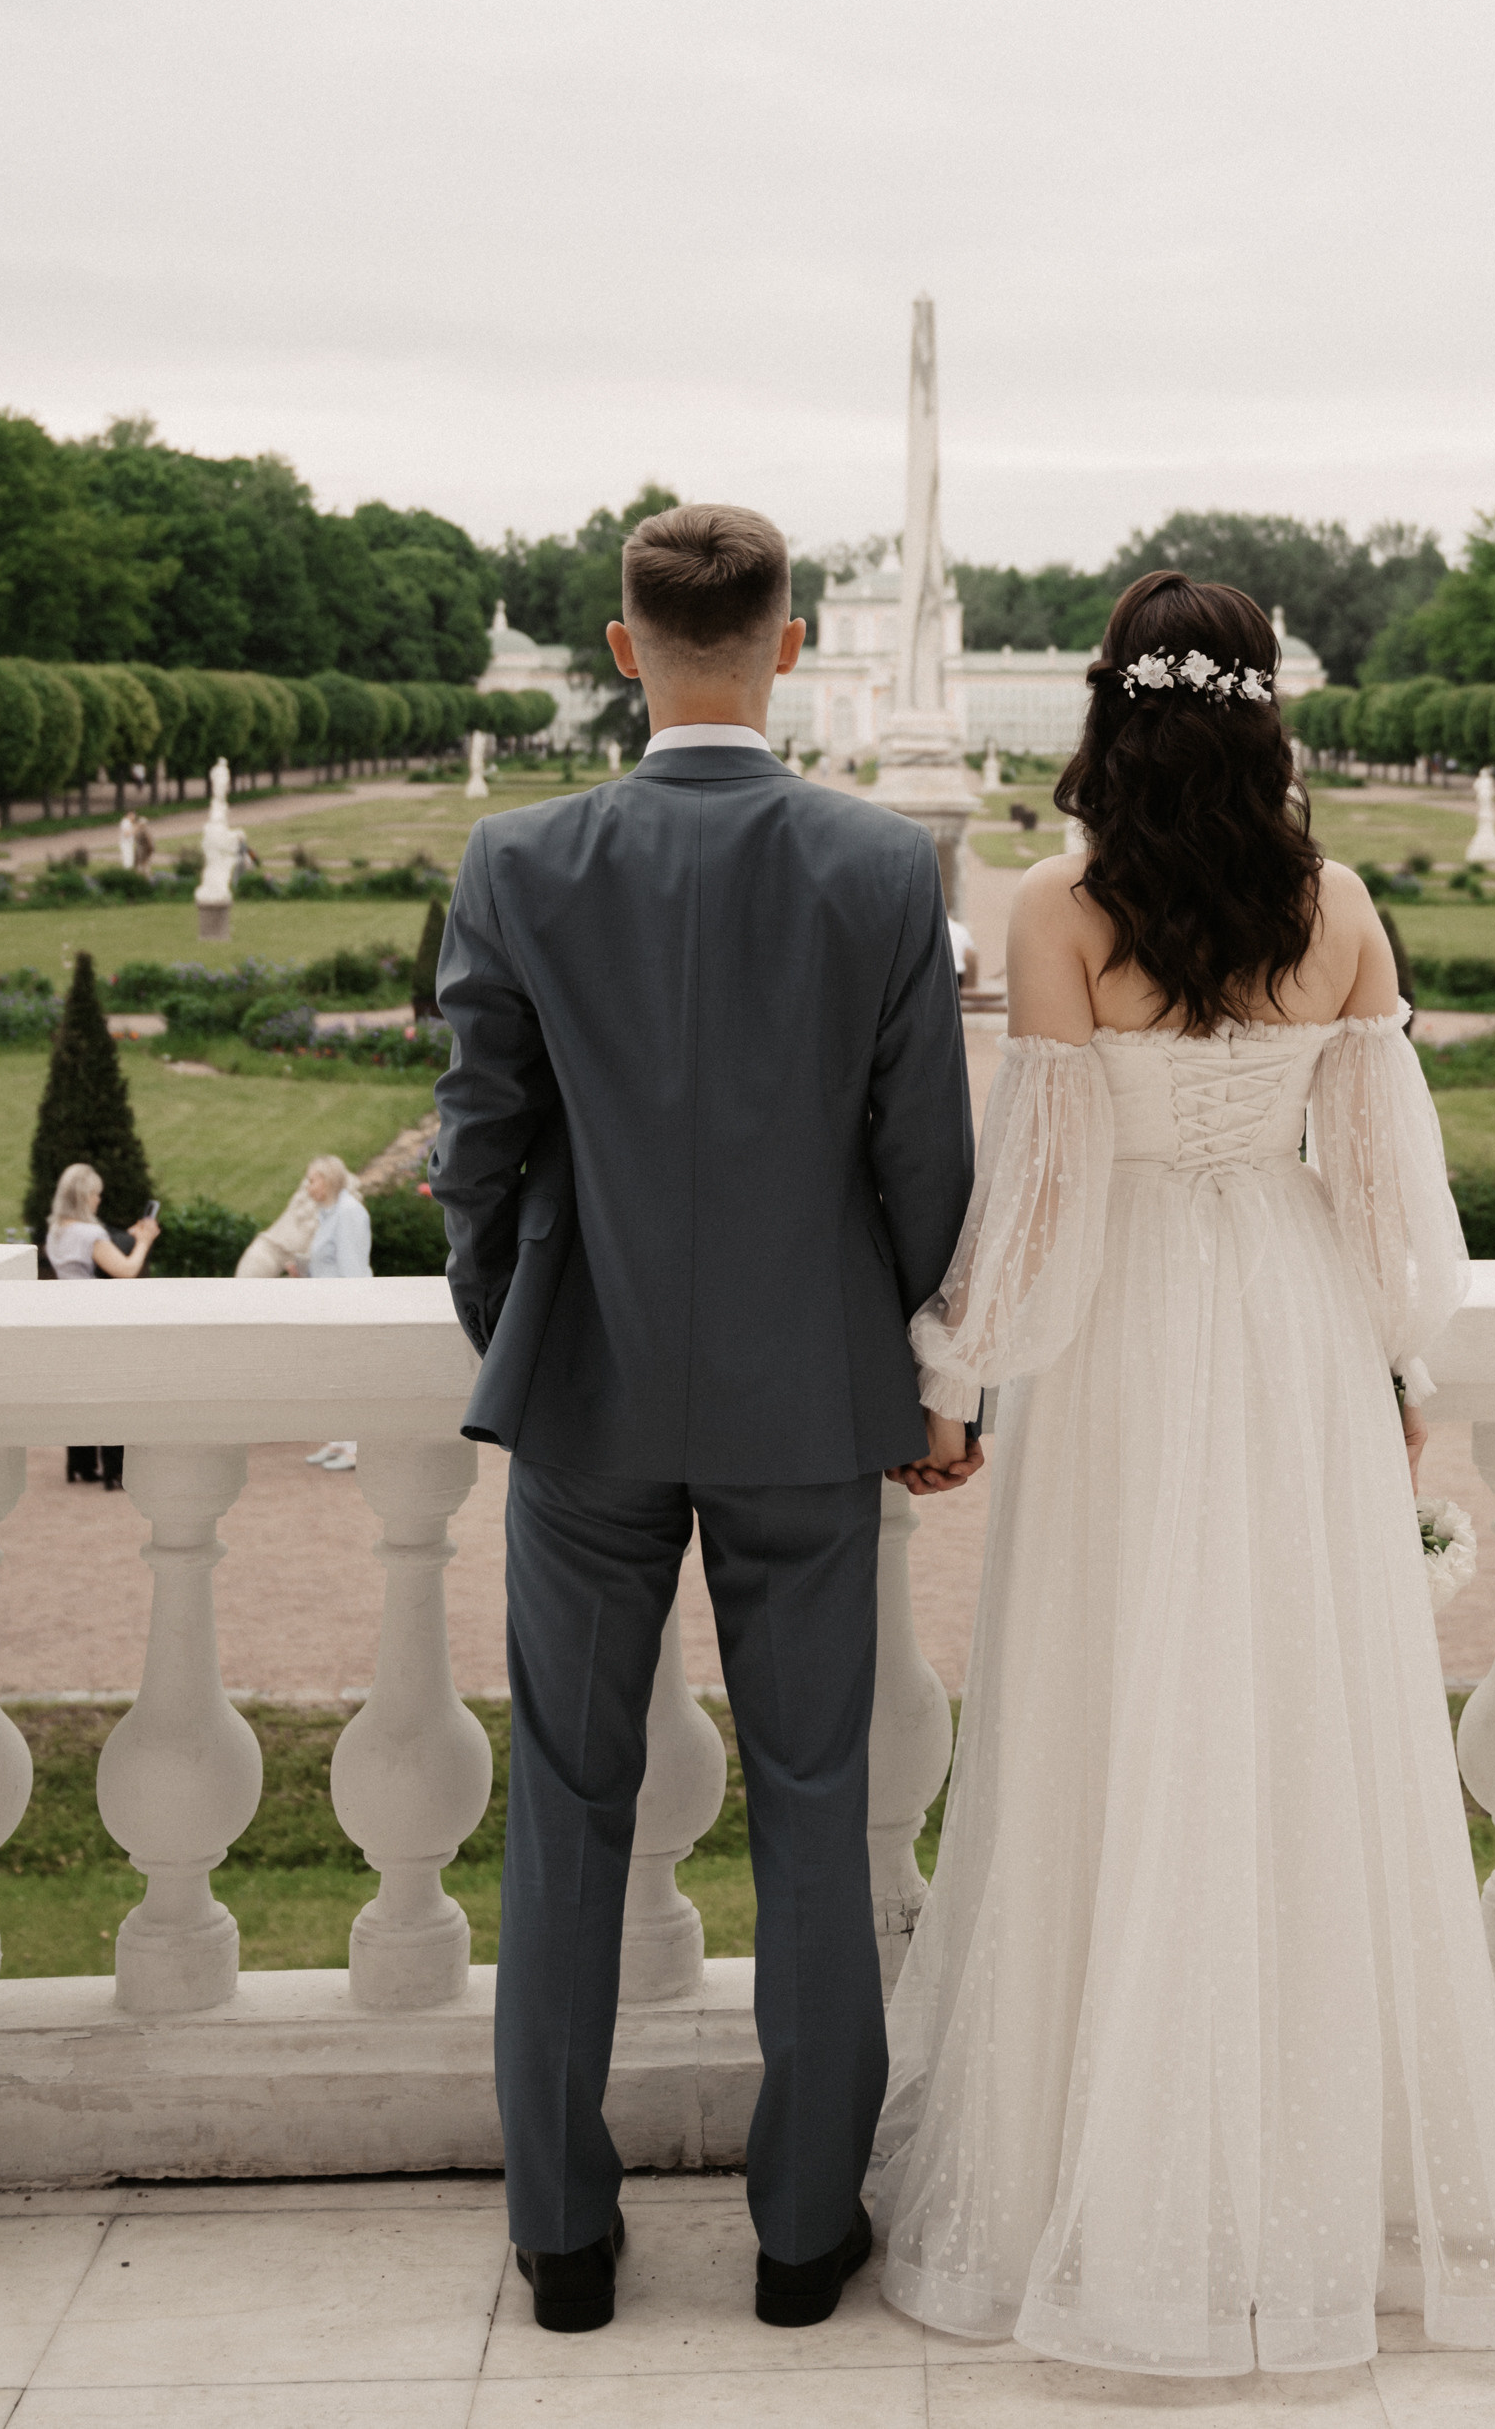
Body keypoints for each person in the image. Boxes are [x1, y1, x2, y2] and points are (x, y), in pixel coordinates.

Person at [872, 573, 1495, 2372]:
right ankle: (1307, 2188)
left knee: (1113, 1720)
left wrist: (952, 1378)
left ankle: (1105, 2183)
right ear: (1264, 713)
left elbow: (1038, 1189)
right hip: (1295, 1332)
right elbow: (1393, 1200)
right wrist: (1391, 1367)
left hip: (1126, 1348)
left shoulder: (1057, 908)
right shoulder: (1338, 910)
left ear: (1108, 713)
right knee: (1294, 1730)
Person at [432, 501, 976, 2340]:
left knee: (567, 1812)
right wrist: (921, 1375)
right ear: (795, 643)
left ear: (617, 648)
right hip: (810, 1402)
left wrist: (520, 1339)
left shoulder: (518, 860)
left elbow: (475, 1153)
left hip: (584, 1396)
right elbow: (926, 1168)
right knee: (817, 1810)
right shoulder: (882, 868)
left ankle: (564, 2242)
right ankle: (802, 2237)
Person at [44, 1163, 160, 1492]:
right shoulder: (89, 1234)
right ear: (84, 1197)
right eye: (95, 1194)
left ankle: (80, 1464)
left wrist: (128, 1236)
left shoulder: (58, 1231)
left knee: (80, 1393)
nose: (98, 1200)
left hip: (69, 1320)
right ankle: (115, 1468)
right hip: (97, 1321)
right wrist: (145, 1241)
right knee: (112, 1392)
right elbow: (125, 1269)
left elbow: (101, 1251)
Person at [294, 1156, 372, 1472]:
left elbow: (353, 1267)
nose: (308, 1186)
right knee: (332, 1379)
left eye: (312, 1179)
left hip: (345, 1310)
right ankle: (338, 1440)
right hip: (327, 1309)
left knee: (349, 1378)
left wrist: (350, 1316)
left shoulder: (350, 1212)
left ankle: (354, 1447)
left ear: (327, 1181)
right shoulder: (328, 1215)